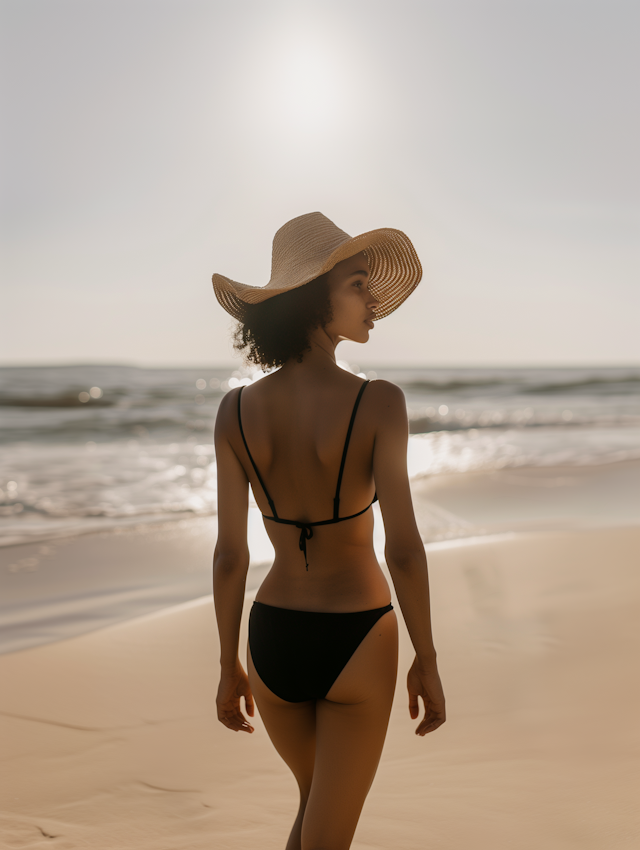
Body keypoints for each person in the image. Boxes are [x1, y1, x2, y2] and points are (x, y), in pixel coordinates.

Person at [211, 212, 445, 850]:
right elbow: (403, 546)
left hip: (272, 639)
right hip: (358, 635)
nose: (372, 300)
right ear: (315, 298)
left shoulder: (234, 410)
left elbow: (232, 555)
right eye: (357, 285)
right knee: (327, 835)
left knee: (315, 816)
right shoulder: (379, 402)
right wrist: (426, 657)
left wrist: (229, 662)